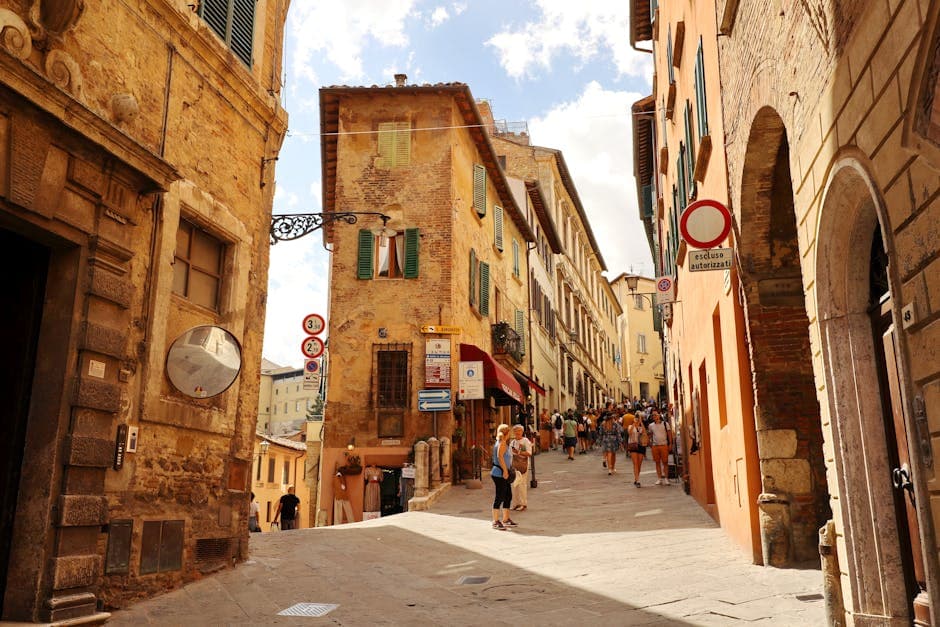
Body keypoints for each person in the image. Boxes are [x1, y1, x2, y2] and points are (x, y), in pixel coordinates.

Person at [490, 424, 518, 530]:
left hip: (502, 473)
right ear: (507, 433)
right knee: (500, 496)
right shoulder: (501, 443)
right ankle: (495, 521)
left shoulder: (503, 442)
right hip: (499, 473)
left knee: (508, 496)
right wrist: (505, 471)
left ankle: (506, 519)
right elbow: (500, 457)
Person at [509, 424, 532, 511]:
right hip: (514, 465)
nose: (517, 432)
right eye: (515, 431)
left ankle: (523, 504)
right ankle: (515, 503)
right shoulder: (512, 442)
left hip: (523, 464)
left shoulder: (525, 441)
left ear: (522, 432)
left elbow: (529, 453)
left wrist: (518, 452)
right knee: (514, 484)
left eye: (519, 431)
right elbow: (510, 454)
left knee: (522, 484)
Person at [648, 410, 672, 485]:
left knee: (665, 462)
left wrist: (670, 444)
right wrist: (650, 443)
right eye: (653, 415)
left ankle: (666, 478)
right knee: (657, 462)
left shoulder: (665, 424)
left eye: (655, 415)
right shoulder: (651, 425)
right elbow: (650, 435)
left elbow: (669, 434)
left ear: (659, 415)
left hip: (664, 445)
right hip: (655, 446)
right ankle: (659, 478)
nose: (654, 416)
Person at [626, 413, 648, 488]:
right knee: (635, 463)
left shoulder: (641, 427)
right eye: (636, 418)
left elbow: (645, 433)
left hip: (641, 445)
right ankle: (637, 480)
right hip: (633, 445)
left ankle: (636, 478)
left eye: (638, 418)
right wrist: (634, 424)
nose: (637, 419)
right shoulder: (630, 426)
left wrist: (641, 422)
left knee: (639, 464)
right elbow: (629, 433)